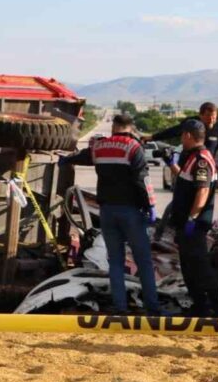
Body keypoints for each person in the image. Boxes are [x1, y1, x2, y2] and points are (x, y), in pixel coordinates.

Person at [59, 114, 161, 315]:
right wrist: (151, 206)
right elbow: (143, 180)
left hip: (107, 211)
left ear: (114, 127)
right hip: (131, 211)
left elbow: (83, 157)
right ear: (130, 128)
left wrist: (66, 160)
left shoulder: (100, 147)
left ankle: (120, 308)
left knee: (115, 261)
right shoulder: (133, 148)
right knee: (143, 260)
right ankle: (152, 308)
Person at [169, 119, 218, 317]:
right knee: (189, 269)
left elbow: (202, 192)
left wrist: (192, 218)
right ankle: (200, 307)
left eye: (182, 135)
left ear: (187, 135)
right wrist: (170, 164)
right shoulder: (193, 157)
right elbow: (187, 181)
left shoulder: (202, 159)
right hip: (186, 225)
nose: (181, 139)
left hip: (194, 226)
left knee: (201, 269)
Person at [148, 102, 218, 191]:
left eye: (214, 116)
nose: (211, 119)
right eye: (208, 116)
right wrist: (152, 137)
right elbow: (173, 131)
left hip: (205, 167)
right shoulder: (192, 124)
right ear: (200, 115)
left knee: (203, 193)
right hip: (187, 166)